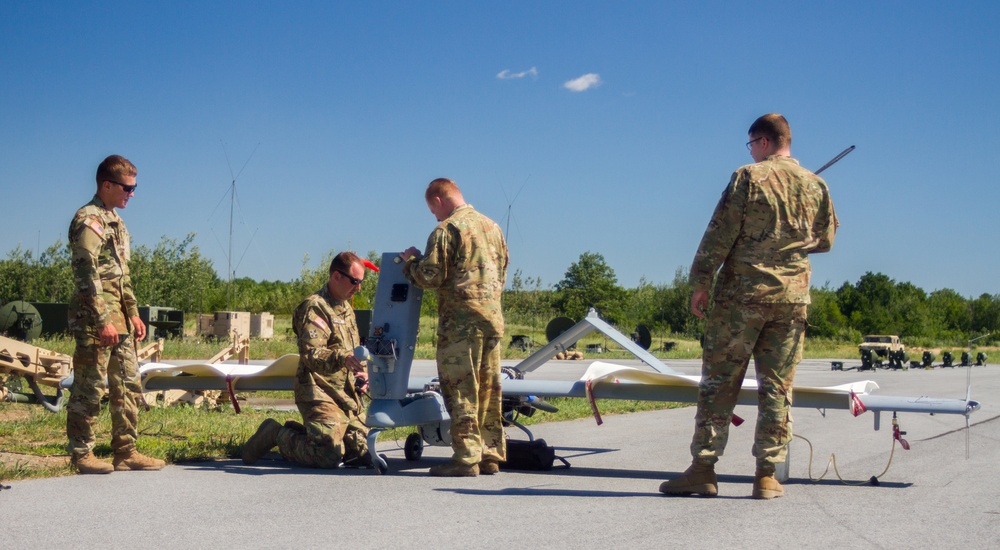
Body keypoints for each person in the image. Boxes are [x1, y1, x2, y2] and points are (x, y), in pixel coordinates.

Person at [659, 114, 838, 499]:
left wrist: (701, 281)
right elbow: (825, 241)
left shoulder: (749, 176)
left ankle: (703, 469)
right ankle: (766, 476)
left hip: (742, 296)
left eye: (752, 144)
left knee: (720, 385)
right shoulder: (816, 184)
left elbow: (720, 232)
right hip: (791, 300)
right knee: (777, 389)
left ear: (763, 141)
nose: (752, 152)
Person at [400, 178, 509, 477]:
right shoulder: (492, 227)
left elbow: (430, 277)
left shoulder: (447, 229)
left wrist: (410, 263)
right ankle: (489, 454)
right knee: (489, 391)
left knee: (461, 390)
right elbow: (502, 271)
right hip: (491, 321)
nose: (434, 215)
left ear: (438, 200)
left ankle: (465, 458)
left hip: (460, 325)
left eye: (432, 209)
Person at [66, 154, 165, 474]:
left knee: (128, 384)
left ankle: (126, 451)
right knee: (90, 386)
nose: (132, 194)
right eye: (127, 188)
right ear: (106, 185)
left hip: (119, 317)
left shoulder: (117, 222)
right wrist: (102, 319)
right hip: (95, 318)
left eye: (135, 188)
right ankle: (82, 454)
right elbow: (86, 273)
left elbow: (122, 275)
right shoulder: (89, 219)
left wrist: (133, 313)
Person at [242, 251, 372, 468]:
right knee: (328, 454)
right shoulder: (315, 306)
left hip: (346, 395)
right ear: (336, 276)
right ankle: (276, 434)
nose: (358, 288)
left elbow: (352, 349)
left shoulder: (346, 308)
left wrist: (362, 371)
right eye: (355, 281)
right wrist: (343, 357)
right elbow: (311, 354)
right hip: (319, 392)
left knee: (364, 454)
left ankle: (306, 434)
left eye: (361, 282)